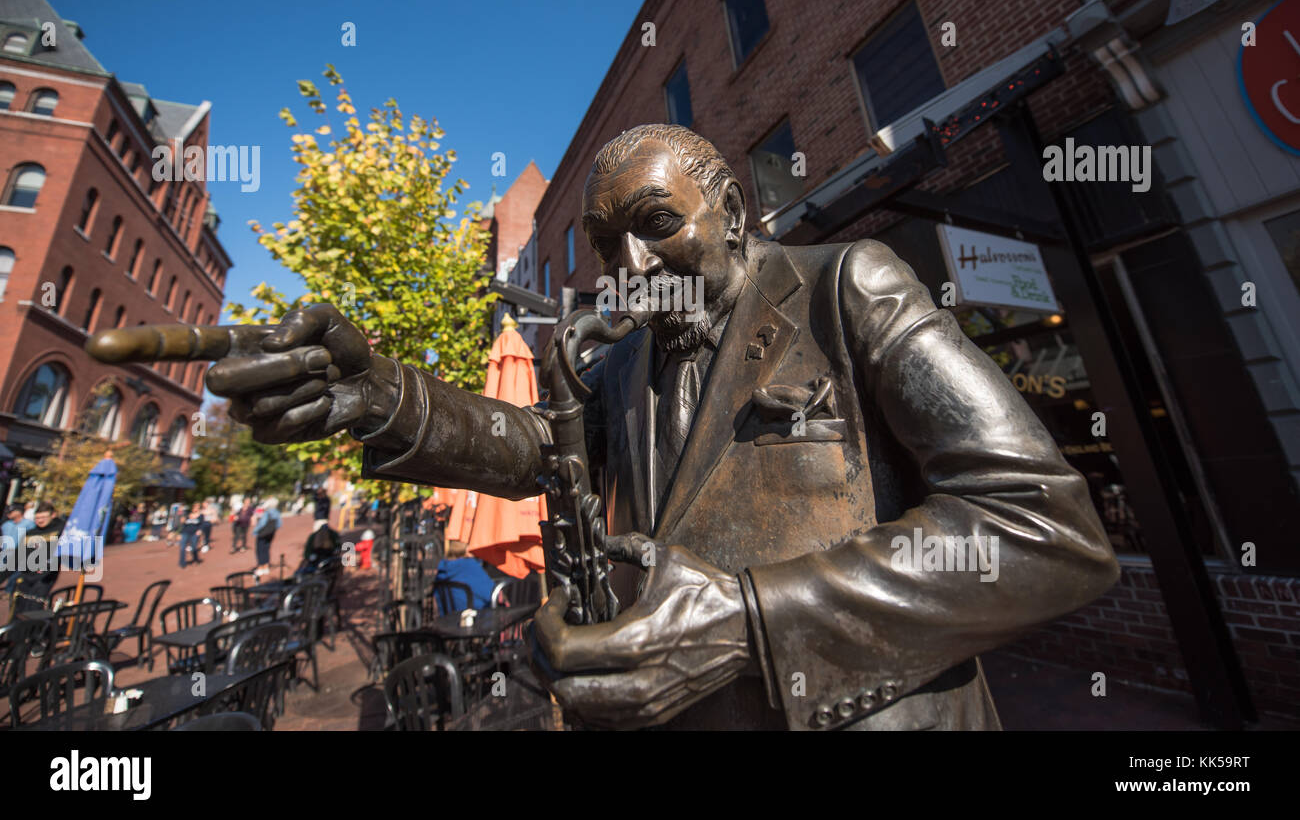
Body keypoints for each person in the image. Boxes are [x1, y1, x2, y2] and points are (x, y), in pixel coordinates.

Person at [96, 125, 1120, 731]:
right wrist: (380, 399)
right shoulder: (621, 361)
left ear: (734, 209)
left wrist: (747, 620)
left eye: (656, 226)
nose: (627, 270)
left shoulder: (846, 286)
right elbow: (533, 449)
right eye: (602, 243)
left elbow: (1040, 531)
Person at [10, 502, 66, 611]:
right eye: (37, 518)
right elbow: (16, 558)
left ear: (53, 515)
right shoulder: (31, 533)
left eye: (44, 517)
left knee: (33, 609)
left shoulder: (61, 530)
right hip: (26, 576)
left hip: (44, 577)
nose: (40, 521)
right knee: (18, 609)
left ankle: (35, 627)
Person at [1, 504, 34, 600]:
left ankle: (8, 592)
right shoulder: (6, 524)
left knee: (14, 575)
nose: (8, 514)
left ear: (19, 512)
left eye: (11, 511)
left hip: (20, 554)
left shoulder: (29, 524)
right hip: (5, 552)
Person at [252, 499, 281, 578]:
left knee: (260, 550)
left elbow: (262, 523)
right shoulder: (276, 512)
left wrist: (255, 531)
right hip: (271, 533)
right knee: (266, 549)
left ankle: (261, 567)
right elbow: (279, 524)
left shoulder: (268, 512)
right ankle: (266, 567)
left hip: (263, 534)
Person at [178, 503, 204, 568]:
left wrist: (200, 530)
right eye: (195, 507)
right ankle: (182, 562)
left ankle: (196, 559)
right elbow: (182, 524)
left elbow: (202, 525)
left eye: (197, 507)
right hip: (185, 533)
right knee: (182, 547)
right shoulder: (187, 514)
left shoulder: (201, 516)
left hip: (194, 533)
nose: (196, 509)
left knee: (194, 547)